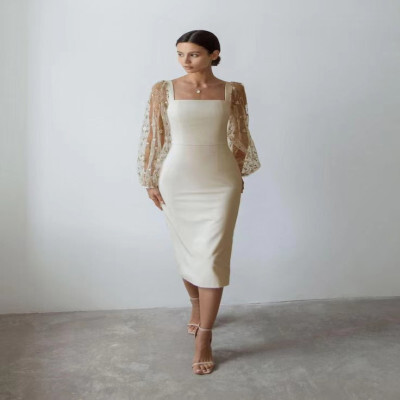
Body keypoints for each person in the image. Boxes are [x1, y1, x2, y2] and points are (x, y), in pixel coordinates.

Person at [137, 30, 261, 375]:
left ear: (214, 54)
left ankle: (204, 336)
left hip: (220, 180)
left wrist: (237, 173)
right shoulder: (163, 89)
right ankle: (196, 305)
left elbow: (240, 135)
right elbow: (154, 136)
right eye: (180, 54)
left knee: (212, 258)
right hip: (177, 180)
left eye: (193, 54)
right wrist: (150, 179)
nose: (185, 61)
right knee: (187, 251)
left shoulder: (233, 90)